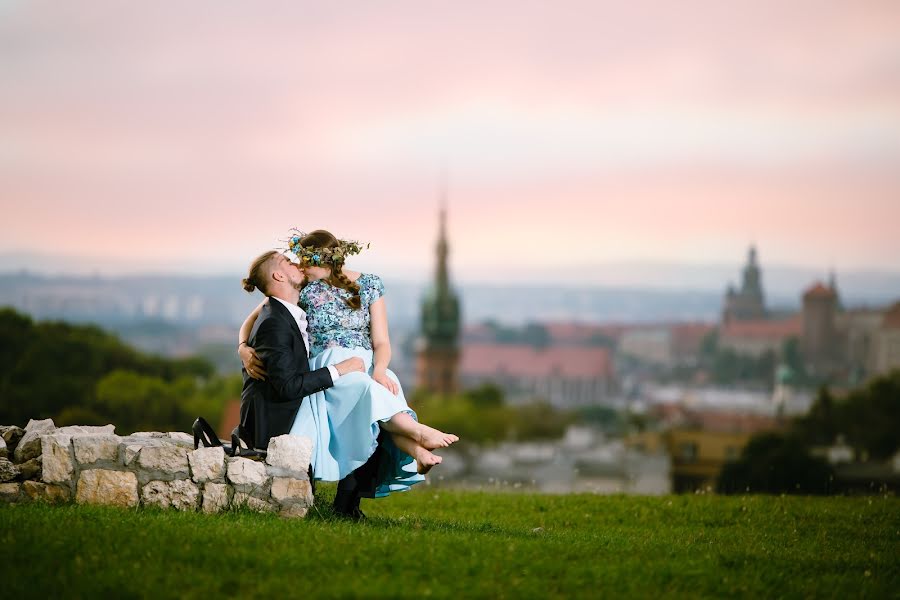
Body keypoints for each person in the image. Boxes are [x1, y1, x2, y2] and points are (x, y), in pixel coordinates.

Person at [239, 230, 458, 517]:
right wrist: (243, 346)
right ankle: (417, 437)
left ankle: (406, 455)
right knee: (367, 394)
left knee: (381, 390)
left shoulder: (368, 284)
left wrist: (379, 370)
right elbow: (257, 315)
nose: (300, 267)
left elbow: (381, 341)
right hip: (328, 368)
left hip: (364, 363)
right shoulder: (304, 286)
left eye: (306, 261)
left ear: (325, 261)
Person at [237, 250, 366, 453]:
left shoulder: (284, 309)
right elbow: (289, 386)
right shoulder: (274, 323)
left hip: (299, 414)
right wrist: (341, 368)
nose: (298, 263)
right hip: (276, 429)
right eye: (288, 262)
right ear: (279, 276)